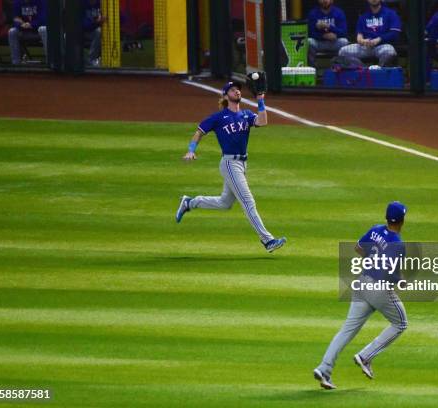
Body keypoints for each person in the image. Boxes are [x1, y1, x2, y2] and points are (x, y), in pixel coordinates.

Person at [175, 81, 287, 253]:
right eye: (233, 90)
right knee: (248, 201)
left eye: (238, 90)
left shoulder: (246, 114)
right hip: (229, 163)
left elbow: (262, 122)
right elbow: (199, 131)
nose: (237, 91)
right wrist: (191, 150)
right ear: (226, 96)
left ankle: (189, 202)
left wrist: (260, 100)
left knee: (224, 203)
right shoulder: (218, 117)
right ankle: (268, 240)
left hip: (242, 164)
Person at [314, 201, 408, 390]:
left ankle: (324, 368)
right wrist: (401, 281)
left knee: (347, 330)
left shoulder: (375, 230)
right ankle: (366, 356)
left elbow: (358, 248)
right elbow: (389, 272)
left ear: (386, 218)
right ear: (402, 221)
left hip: (362, 283)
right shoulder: (398, 244)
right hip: (379, 289)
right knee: (400, 323)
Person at [338, 0, 402, 67]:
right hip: (365, 47)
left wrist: (379, 39)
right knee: (343, 51)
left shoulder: (391, 13)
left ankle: (379, 71)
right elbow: (359, 36)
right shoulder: (363, 15)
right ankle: (364, 70)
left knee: (390, 51)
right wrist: (362, 41)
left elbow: (394, 33)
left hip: (382, 46)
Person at [307, 0, 349, 66]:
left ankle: (340, 68)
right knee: (308, 41)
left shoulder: (339, 12)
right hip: (319, 43)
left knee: (344, 41)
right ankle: (313, 68)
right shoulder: (313, 13)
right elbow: (310, 33)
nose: (324, 0)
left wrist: (330, 27)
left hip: (334, 42)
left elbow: (344, 32)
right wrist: (322, 36)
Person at [8, 0, 47, 65]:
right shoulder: (17, 2)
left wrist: (31, 24)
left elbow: (43, 19)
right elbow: (15, 19)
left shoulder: (42, 1)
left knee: (44, 29)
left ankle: (50, 63)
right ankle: (16, 63)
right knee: (12, 31)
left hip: (38, 30)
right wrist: (21, 24)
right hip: (24, 30)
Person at [83, 0, 104, 67]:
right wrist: (97, 23)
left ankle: (100, 59)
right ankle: (91, 60)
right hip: (83, 33)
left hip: (94, 33)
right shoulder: (82, 4)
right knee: (98, 31)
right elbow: (84, 25)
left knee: (101, 32)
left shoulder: (100, 4)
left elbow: (123, 18)